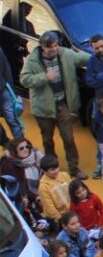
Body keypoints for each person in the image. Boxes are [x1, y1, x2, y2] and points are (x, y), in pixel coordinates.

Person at [20, 31, 91, 178]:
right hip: (43, 109)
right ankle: (52, 167)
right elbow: (24, 80)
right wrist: (44, 77)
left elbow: (84, 59)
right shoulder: (33, 61)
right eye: (49, 46)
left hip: (61, 106)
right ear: (42, 47)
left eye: (56, 45)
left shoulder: (65, 54)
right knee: (47, 140)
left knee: (69, 138)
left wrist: (102, 53)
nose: (53, 49)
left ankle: (74, 168)